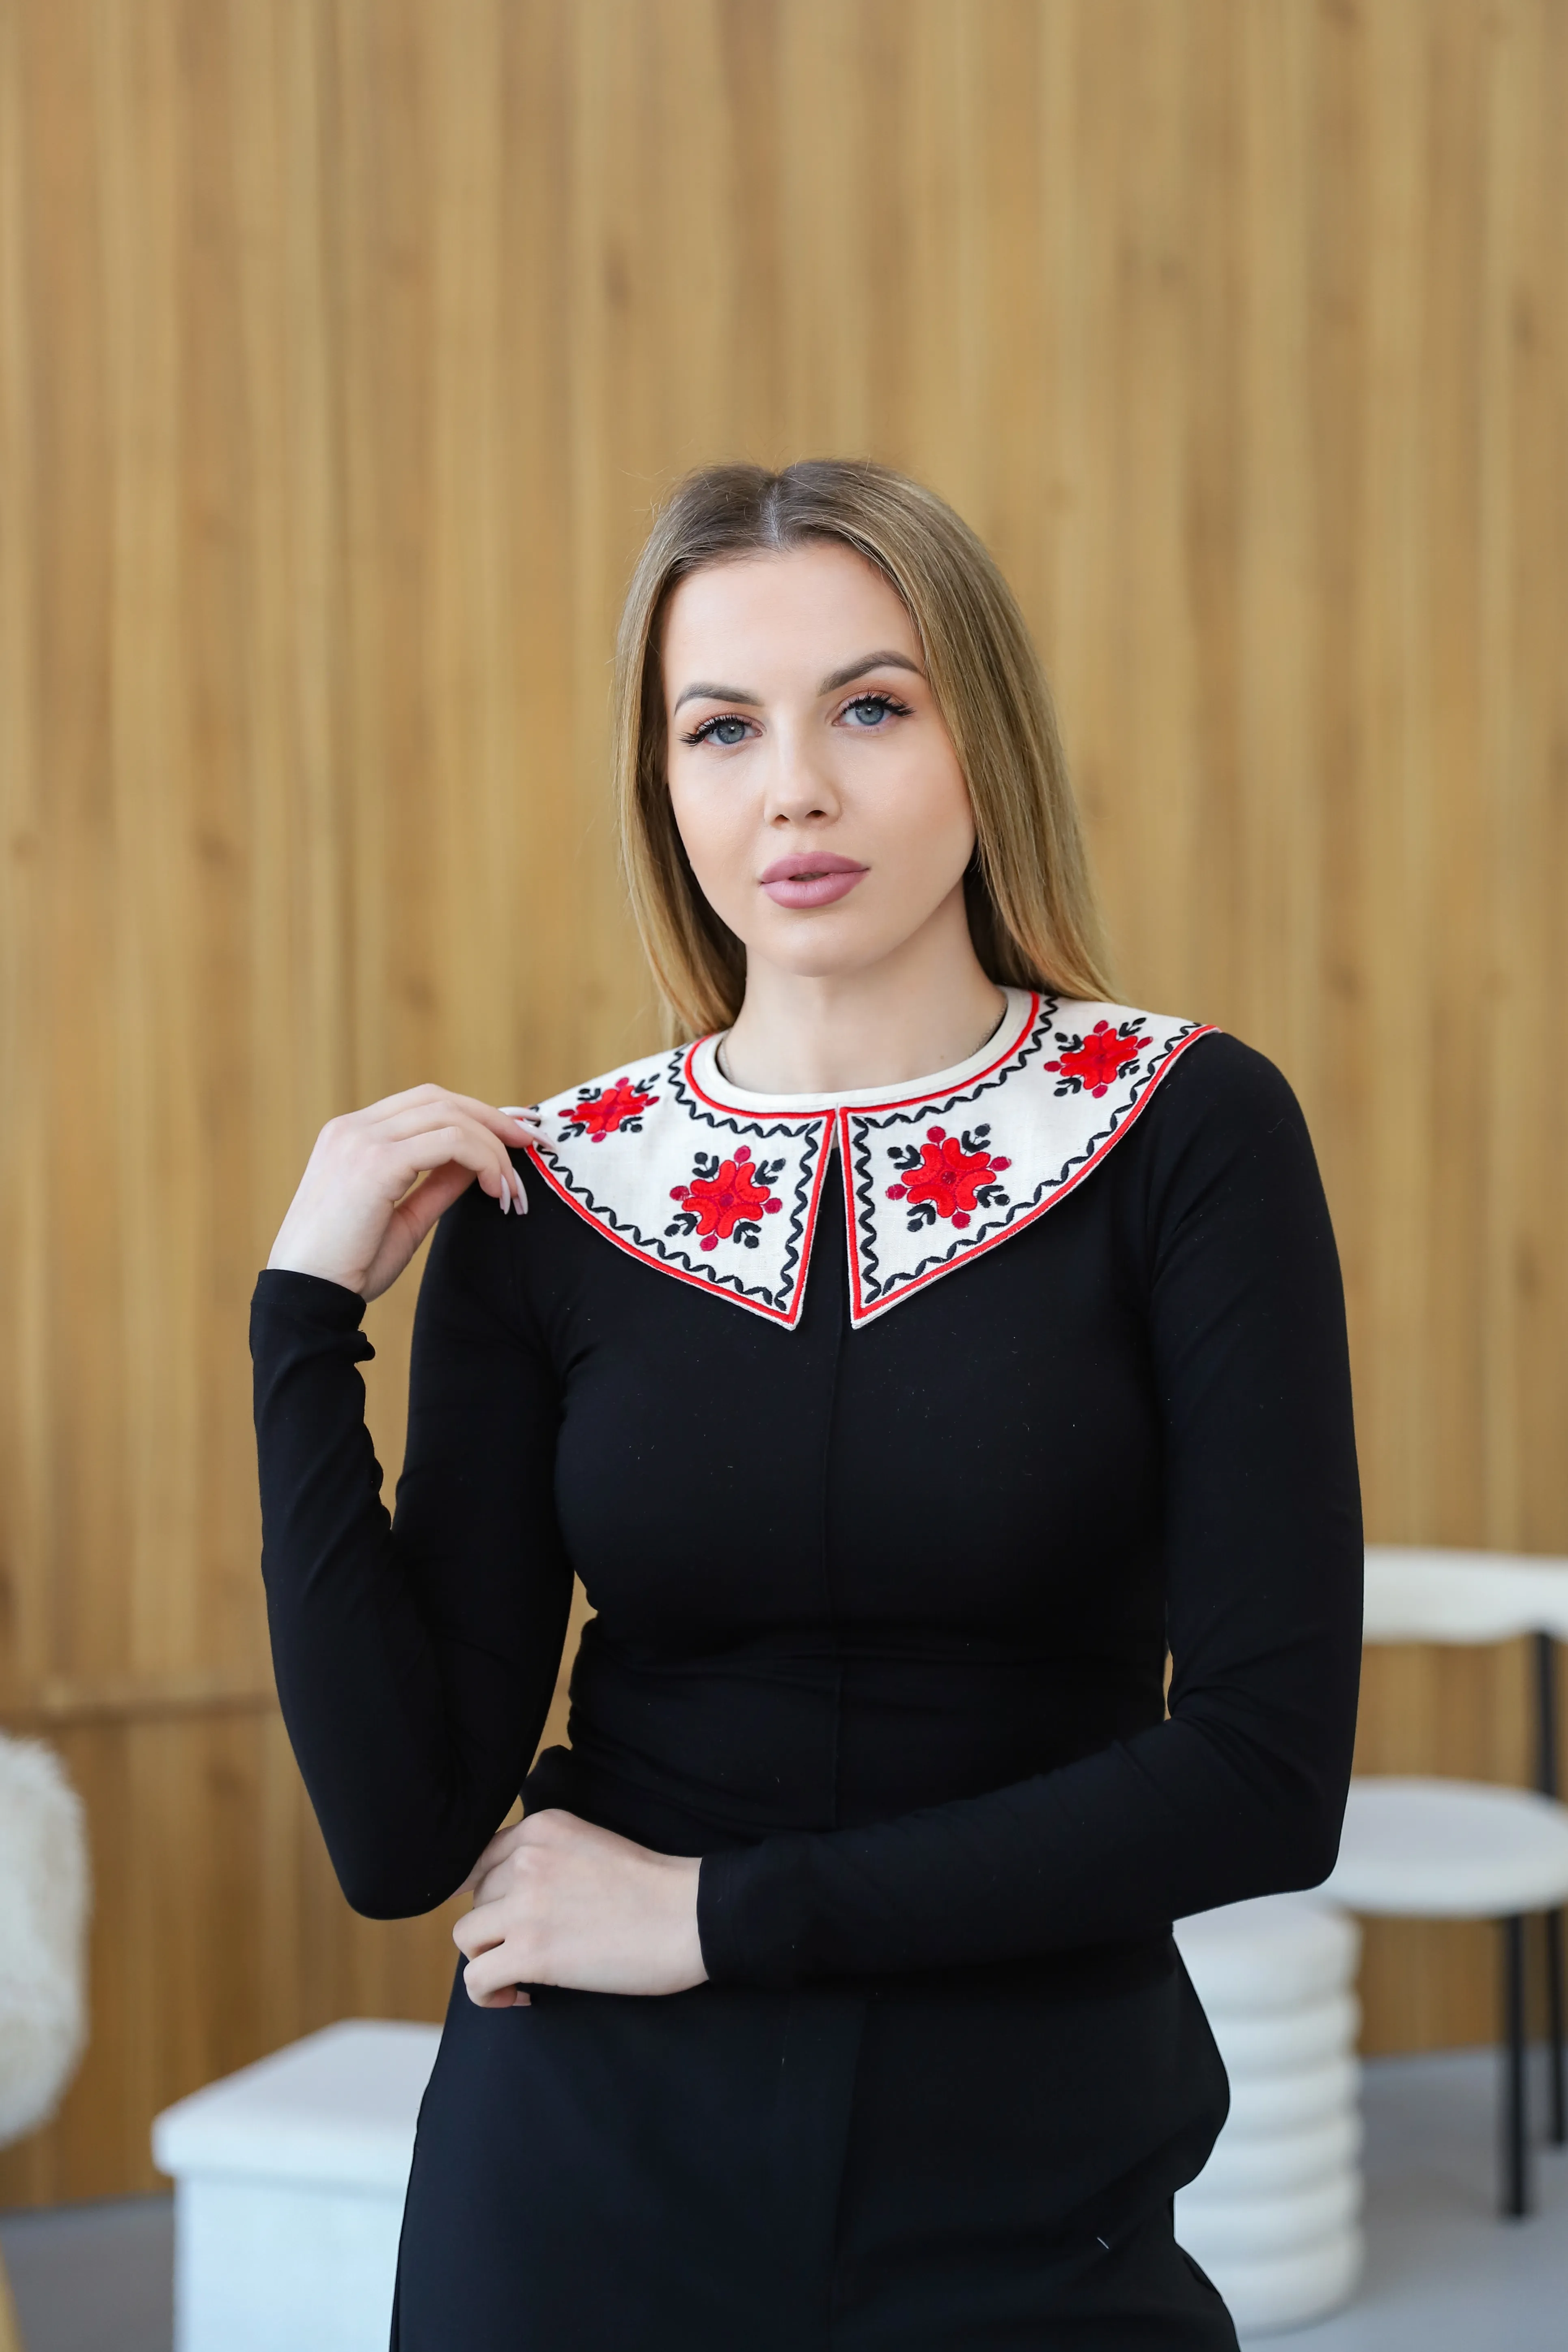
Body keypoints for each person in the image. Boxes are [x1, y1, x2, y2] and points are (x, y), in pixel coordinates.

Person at [252, 460, 1362, 2349]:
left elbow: (1264, 1774)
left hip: (1032, 2167)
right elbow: (401, 1828)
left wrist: (710, 1914)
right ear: (662, 782)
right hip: (584, 2168)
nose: (793, 789)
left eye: (868, 706)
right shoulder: (552, 1191)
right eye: (720, 727)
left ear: (979, 740)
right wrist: (299, 1328)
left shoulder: (1186, 1130)